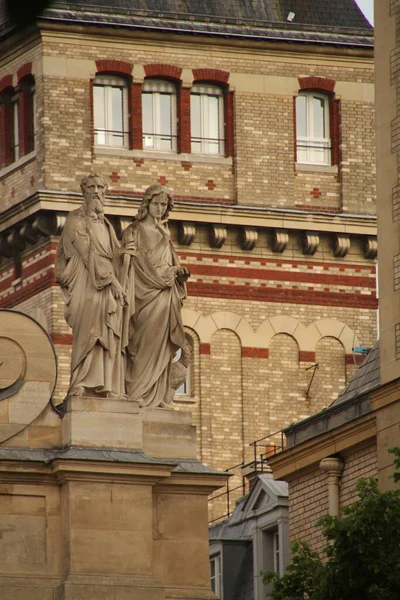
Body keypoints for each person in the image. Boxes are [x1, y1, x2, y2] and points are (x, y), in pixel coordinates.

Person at [55, 173, 126, 399]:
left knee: (108, 334)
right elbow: (86, 253)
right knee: (89, 331)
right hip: (87, 284)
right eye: (92, 187)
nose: (96, 191)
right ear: (84, 191)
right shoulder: (75, 219)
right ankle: (81, 382)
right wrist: (112, 280)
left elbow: (115, 256)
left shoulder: (107, 225)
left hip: (107, 286)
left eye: (100, 188)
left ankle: (107, 385)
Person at [121, 184, 190, 407]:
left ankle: (158, 396)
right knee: (141, 345)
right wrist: (168, 274)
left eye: (164, 205)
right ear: (147, 204)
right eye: (156, 203)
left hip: (164, 296)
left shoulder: (166, 234)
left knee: (162, 347)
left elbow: (171, 264)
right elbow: (133, 265)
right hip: (144, 295)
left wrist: (178, 274)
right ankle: (137, 392)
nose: (160, 208)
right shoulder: (134, 231)